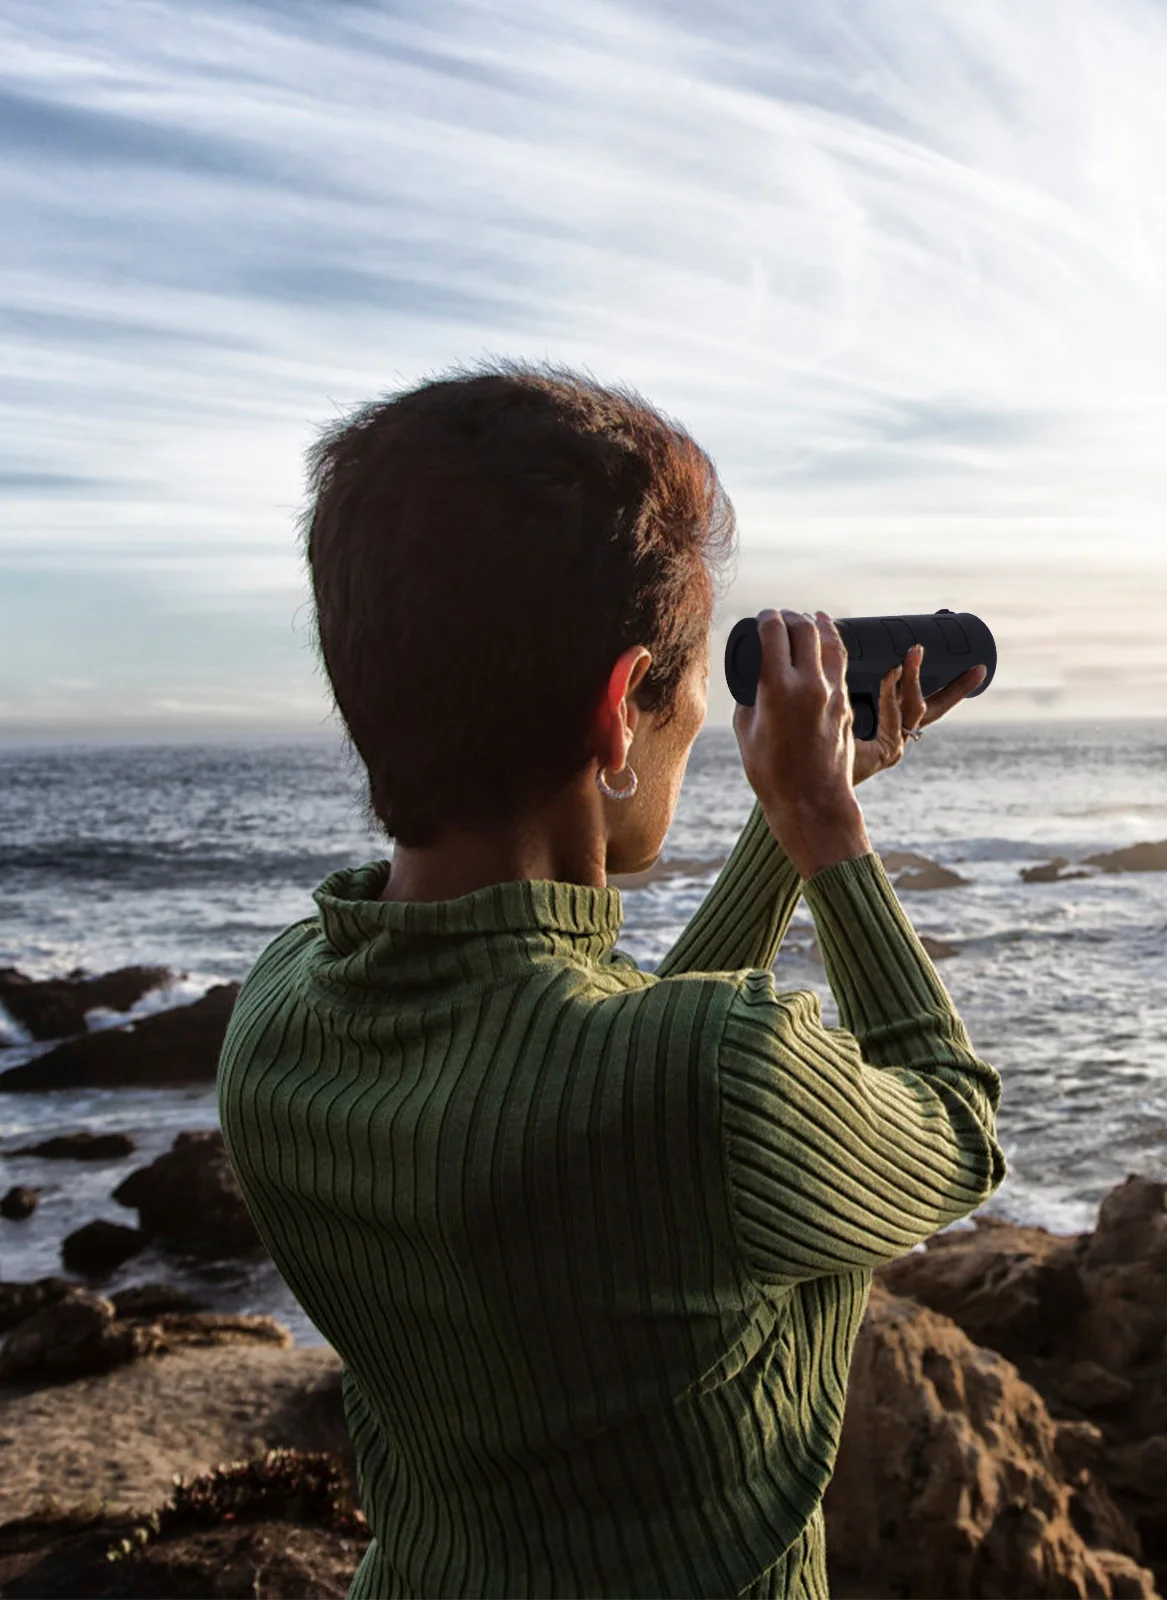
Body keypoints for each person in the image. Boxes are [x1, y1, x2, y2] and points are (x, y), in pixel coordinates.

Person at [215, 362, 1004, 1600]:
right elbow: (955, 1126)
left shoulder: (275, 1020)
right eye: (691, 683)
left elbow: (613, 1088)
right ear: (617, 710)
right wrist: (824, 828)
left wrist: (786, 826)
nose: (704, 713)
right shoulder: (703, 1079)